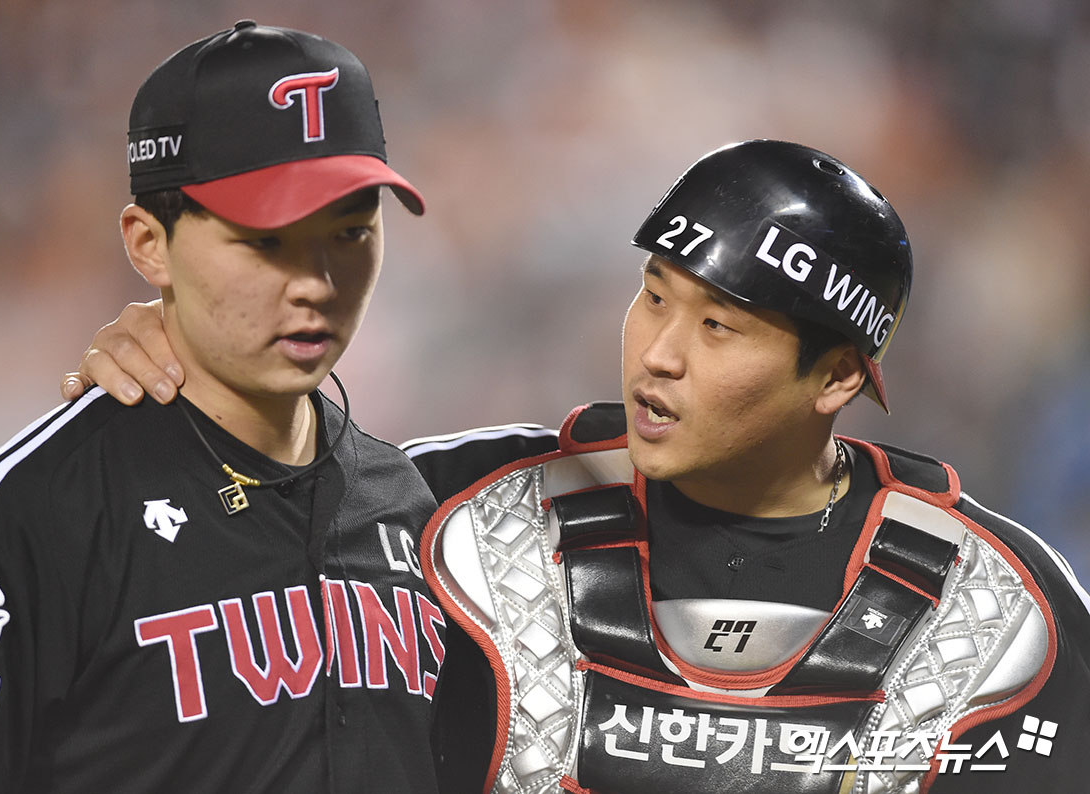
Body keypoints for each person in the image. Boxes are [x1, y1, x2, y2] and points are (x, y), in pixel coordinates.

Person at [64, 140, 1090, 793]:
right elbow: (216, 502)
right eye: (653, 294)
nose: (656, 351)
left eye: (720, 326)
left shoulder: (1002, 607)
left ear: (834, 376)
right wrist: (183, 364)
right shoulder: (453, 506)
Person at [0, 21, 447, 794]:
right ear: (149, 244)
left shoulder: (416, 506)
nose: (317, 282)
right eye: (267, 242)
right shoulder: (20, 524)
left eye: (350, 232)